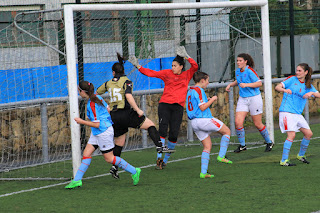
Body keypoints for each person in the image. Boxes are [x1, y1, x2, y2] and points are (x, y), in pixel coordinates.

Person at [96, 53, 174, 179]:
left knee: (119, 142)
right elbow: (128, 96)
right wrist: (138, 110)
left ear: (113, 73)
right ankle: (159, 146)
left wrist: (106, 106)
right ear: (123, 71)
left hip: (114, 116)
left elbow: (97, 93)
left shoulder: (108, 83)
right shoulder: (127, 81)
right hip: (126, 113)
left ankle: (115, 167)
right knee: (150, 125)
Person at [128, 46, 198, 169]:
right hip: (165, 105)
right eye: (172, 65)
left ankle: (165, 160)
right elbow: (151, 73)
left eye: (175, 66)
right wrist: (138, 66)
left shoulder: (187, 75)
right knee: (163, 129)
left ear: (181, 66)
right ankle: (159, 159)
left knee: (174, 134)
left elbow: (195, 67)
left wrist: (187, 56)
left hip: (178, 107)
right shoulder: (167, 73)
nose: (172, 68)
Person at [65, 81, 141, 189]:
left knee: (109, 159)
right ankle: (77, 180)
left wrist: (81, 121)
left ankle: (134, 171)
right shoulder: (97, 97)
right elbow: (108, 109)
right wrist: (104, 118)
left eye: (79, 90)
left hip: (103, 132)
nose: (78, 92)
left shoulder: (92, 103)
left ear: (83, 92)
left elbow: (97, 124)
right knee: (86, 154)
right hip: (98, 132)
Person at [186, 71, 233, 179]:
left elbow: (197, 106)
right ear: (202, 80)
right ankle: (221, 156)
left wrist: (207, 100)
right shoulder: (199, 90)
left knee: (207, 146)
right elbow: (202, 108)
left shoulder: (191, 90)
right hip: (203, 120)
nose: (208, 83)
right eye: (207, 80)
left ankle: (203, 173)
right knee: (227, 131)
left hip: (194, 123)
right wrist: (212, 99)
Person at [225, 53, 274, 153]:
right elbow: (238, 81)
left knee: (257, 124)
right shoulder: (238, 71)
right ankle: (242, 145)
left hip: (254, 98)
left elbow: (259, 83)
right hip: (243, 99)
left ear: (245, 61)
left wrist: (247, 85)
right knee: (238, 123)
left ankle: (269, 142)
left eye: (240, 61)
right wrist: (231, 84)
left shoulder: (250, 71)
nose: (238, 62)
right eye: (237, 60)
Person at [275, 63, 320, 166]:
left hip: (297, 114)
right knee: (292, 134)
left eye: (300, 71)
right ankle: (284, 160)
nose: (297, 72)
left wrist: (311, 93)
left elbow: (318, 94)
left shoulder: (308, 85)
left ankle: (301, 155)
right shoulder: (292, 79)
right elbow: (277, 87)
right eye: (297, 70)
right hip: (286, 112)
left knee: (309, 134)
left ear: (306, 72)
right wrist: (284, 90)